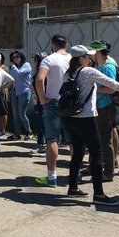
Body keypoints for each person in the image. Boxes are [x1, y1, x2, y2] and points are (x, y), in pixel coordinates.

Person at [62, 45, 119, 206]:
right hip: (86, 118)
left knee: (77, 153)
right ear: (82, 58)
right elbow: (112, 83)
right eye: (88, 57)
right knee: (97, 153)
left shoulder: (68, 73)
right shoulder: (88, 72)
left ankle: (73, 188)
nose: (91, 59)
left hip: (70, 118)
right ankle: (98, 194)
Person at [34, 34, 71, 188]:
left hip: (53, 102)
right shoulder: (73, 59)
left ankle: (52, 177)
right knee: (72, 140)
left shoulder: (49, 59)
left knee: (52, 139)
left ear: (52, 44)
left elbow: (39, 79)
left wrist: (42, 100)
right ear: (66, 45)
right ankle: (74, 176)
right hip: (70, 103)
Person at [86, 40, 119, 182]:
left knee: (105, 140)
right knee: (95, 138)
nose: (90, 55)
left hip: (106, 107)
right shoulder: (102, 65)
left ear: (98, 52)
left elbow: (112, 89)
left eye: (92, 51)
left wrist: (94, 88)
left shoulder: (108, 66)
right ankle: (93, 167)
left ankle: (109, 172)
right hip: (100, 106)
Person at [9, 51, 32, 140]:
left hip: (24, 91)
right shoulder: (15, 67)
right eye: (13, 58)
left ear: (21, 57)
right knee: (15, 114)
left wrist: (14, 67)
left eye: (17, 57)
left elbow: (19, 74)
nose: (15, 59)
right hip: (15, 91)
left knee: (21, 114)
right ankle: (17, 133)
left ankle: (28, 132)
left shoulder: (26, 65)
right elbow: (13, 78)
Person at [30, 52, 48, 156]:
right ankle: (41, 146)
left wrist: (34, 87)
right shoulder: (38, 72)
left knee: (42, 124)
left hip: (41, 101)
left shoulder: (42, 73)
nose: (34, 62)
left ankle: (43, 147)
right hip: (37, 101)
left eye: (36, 60)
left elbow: (42, 86)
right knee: (39, 124)